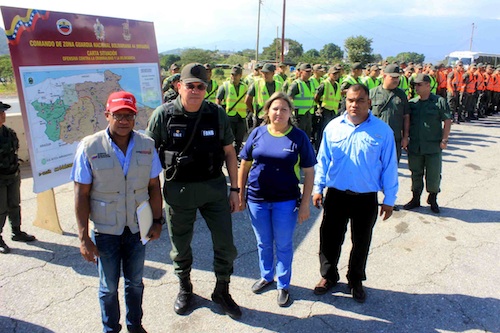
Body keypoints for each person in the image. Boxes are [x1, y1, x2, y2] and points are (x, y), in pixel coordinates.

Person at [145, 63, 242, 319]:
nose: (196, 90)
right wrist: (147, 195)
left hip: (214, 190)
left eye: (201, 86)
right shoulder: (163, 115)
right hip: (179, 192)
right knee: (180, 247)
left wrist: (235, 188)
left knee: (226, 245)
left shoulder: (217, 114)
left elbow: (230, 152)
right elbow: (146, 156)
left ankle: (222, 290)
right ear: (179, 86)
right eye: (191, 86)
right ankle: (185, 288)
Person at [71, 91, 163, 333]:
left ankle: (135, 326)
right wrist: (83, 238)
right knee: (108, 287)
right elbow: (81, 194)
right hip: (105, 230)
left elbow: (154, 186)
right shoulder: (90, 146)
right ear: (107, 115)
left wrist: (157, 221)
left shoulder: (147, 145)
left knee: (135, 283)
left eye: (129, 115)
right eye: (118, 115)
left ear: (135, 117)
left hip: (137, 228)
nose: (124, 121)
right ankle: (110, 328)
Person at [312, 84, 398, 303]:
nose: (354, 105)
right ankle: (329, 276)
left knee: (361, 242)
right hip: (336, 195)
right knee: (329, 239)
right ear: (345, 101)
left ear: (369, 102)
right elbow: (322, 160)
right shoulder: (333, 127)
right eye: (351, 100)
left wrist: (389, 200)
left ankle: (355, 280)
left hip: (366, 198)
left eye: (360, 100)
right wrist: (317, 188)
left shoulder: (382, 131)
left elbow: (389, 167)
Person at [238, 92, 316, 307]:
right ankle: (266, 276)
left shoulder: (299, 137)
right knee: (263, 242)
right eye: (275, 109)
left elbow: (309, 172)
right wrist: (239, 192)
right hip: (257, 199)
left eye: (283, 109)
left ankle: (283, 284)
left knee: (283, 244)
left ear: (290, 113)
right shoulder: (257, 133)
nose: (279, 113)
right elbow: (244, 163)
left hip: (286, 201)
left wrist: (305, 203)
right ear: (267, 111)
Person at [403, 74, 452, 214]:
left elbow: (447, 120)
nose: (416, 87)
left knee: (434, 174)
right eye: (415, 85)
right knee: (415, 173)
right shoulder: (412, 103)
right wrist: (405, 138)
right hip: (415, 146)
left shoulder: (439, 101)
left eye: (419, 84)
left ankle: (433, 198)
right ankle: (415, 198)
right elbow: (406, 122)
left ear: (428, 86)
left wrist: (444, 139)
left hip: (433, 146)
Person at [0, 101, 36, 254]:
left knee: (14, 204)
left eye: (3, 112)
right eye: (0, 113)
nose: (3, 115)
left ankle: (16, 231)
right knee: (0, 209)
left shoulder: (9, 132)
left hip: (13, 175)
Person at [369, 64, 410, 162]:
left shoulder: (401, 95)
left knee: (391, 169)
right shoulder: (372, 93)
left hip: (394, 138)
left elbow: (406, 116)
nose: (396, 80)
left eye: (397, 77)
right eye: (393, 77)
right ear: (384, 76)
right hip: (375, 138)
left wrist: (405, 137)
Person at [216, 65, 248, 155]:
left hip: (241, 117)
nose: (234, 77)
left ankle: (236, 155)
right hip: (229, 116)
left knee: (239, 139)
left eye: (236, 75)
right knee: (228, 140)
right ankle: (227, 157)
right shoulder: (225, 86)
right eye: (232, 74)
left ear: (240, 75)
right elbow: (218, 100)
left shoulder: (245, 87)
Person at [245, 63, 282, 128]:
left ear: (273, 73)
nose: (264, 75)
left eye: (267, 73)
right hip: (260, 117)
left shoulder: (279, 85)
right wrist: (254, 112)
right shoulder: (256, 84)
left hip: (274, 117)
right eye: (263, 73)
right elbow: (247, 101)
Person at [287, 63, 315, 139]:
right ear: (301, 72)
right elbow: (288, 98)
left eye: (310, 71)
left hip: (308, 114)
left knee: (307, 136)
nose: (309, 73)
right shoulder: (296, 84)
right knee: (298, 136)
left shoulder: (311, 83)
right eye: (307, 71)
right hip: (299, 115)